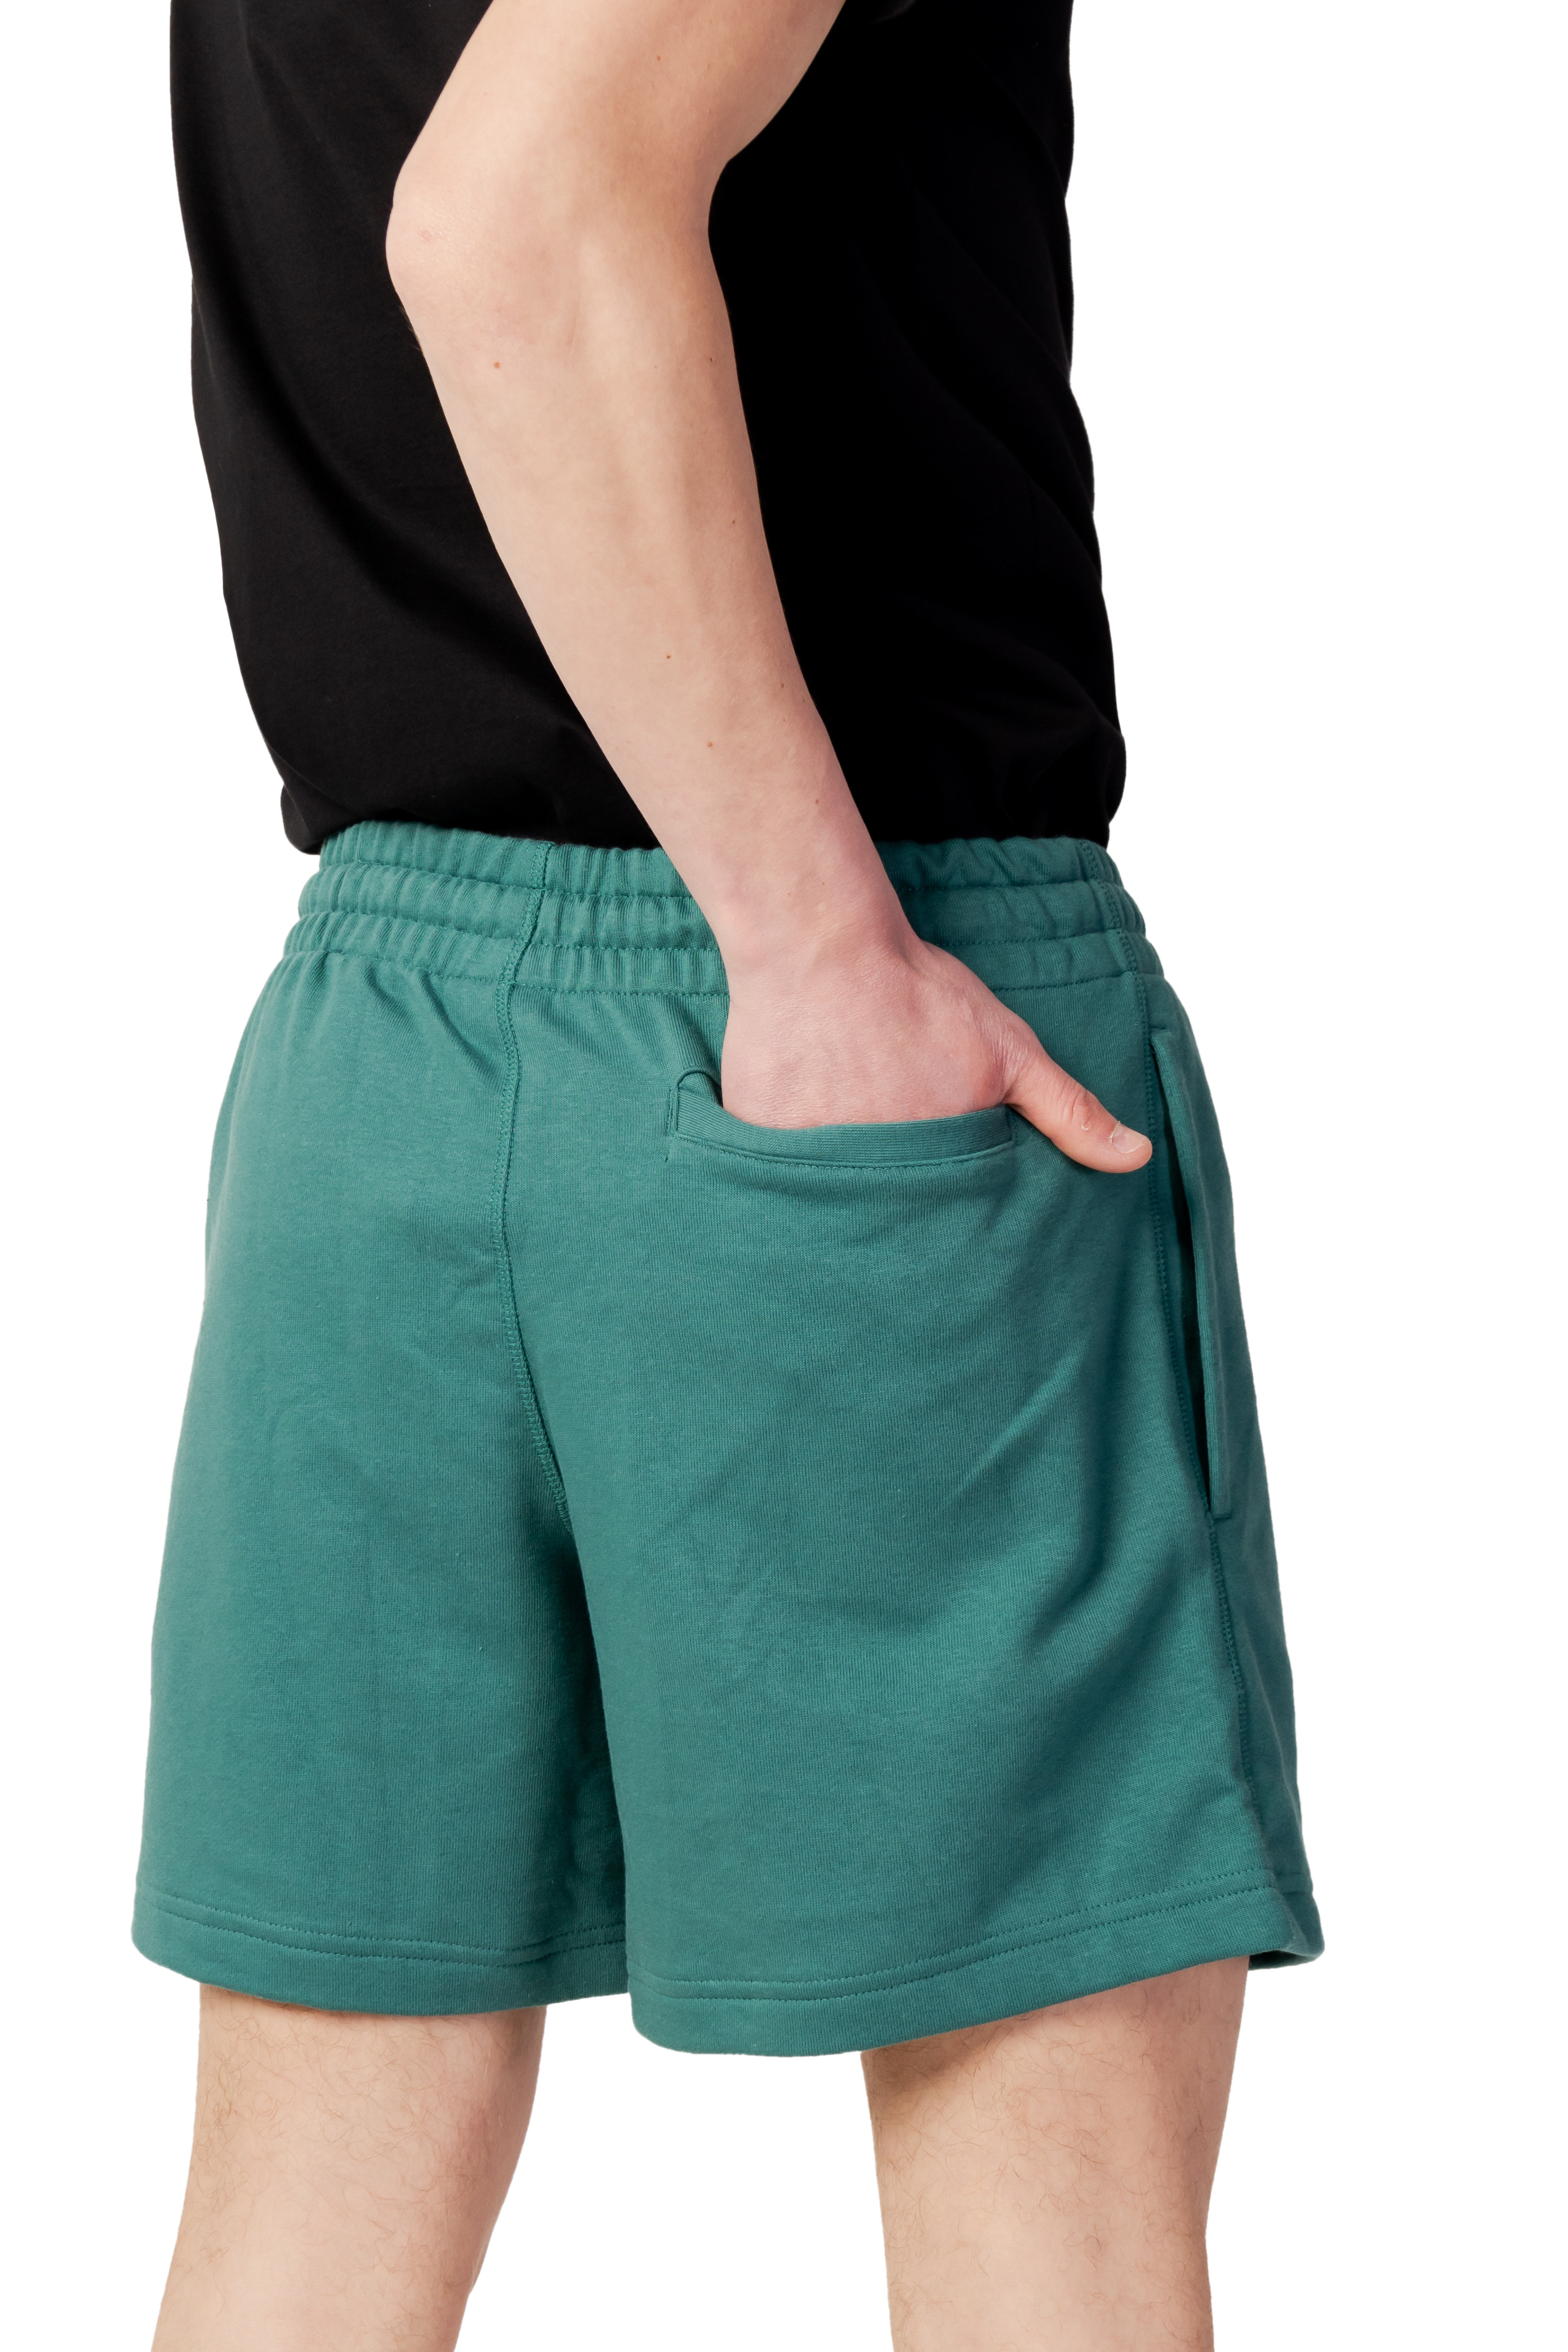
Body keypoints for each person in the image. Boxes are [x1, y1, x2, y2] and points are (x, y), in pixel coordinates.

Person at [135, 0, 1321, 2341]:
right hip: (856, 978)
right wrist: (809, 943)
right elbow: (512, 216)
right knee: (1052, 2192)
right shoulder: (831, 958)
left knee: (307, 2225)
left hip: (382, 1034)